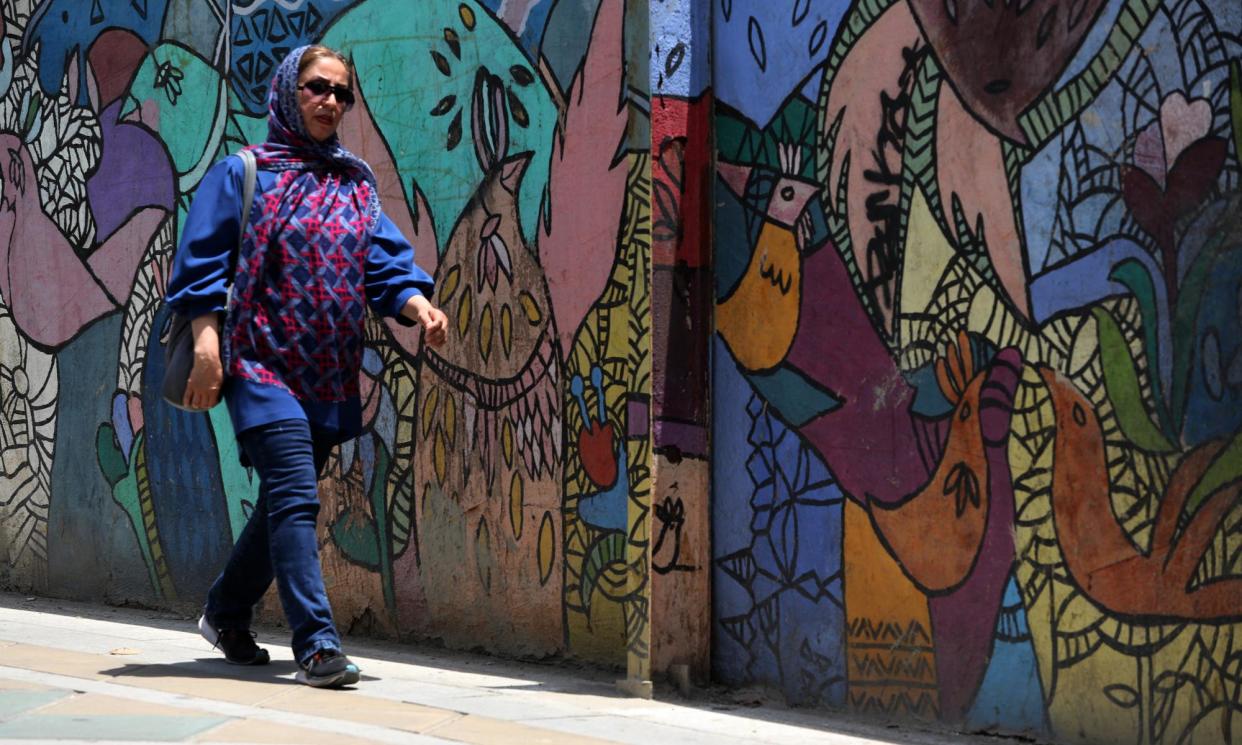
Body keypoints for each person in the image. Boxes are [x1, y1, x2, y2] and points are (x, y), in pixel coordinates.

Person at [164, 45, 448, 688]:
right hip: (257, 363)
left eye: (343, 94)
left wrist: (419, 306)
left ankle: (226, 610)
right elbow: (202, 270)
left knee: (282, 503)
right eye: (318, 88)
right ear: (289, 90)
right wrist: (209, 348)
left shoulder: (354, 183)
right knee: (296, 494)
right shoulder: (243, 173)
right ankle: (316, 644)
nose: (331, 102)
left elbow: (383, 265)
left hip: (326, 372)